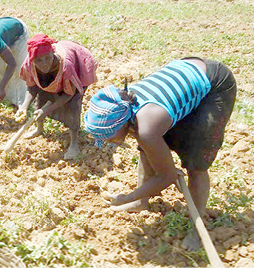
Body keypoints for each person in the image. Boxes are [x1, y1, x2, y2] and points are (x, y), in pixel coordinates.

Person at [84, 57, 236, 250]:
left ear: (121, 122)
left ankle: (197, 230)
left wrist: (127, 196)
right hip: (184, 74)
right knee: (148, 144)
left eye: (108, 136)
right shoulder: (124, 106)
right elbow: (149, 147)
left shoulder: (147, 126)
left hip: (214, 83)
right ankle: (141, 202)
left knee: (195, 162)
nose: (106, 141)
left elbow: (167, 176)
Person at [17, 34, 97, 159]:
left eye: (48, 58)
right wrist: (24, 106)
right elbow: (32, 86)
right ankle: (39, 129)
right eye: (38, 60)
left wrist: (47, 110)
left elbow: (69, 94)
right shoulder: (30, 63)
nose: (44, 64)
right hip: (52, 78)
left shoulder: (66, 66)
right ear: (33, 60)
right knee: (41, 98)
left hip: (76, 68)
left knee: (73, 106)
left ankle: (74, 144)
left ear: (53, 53)